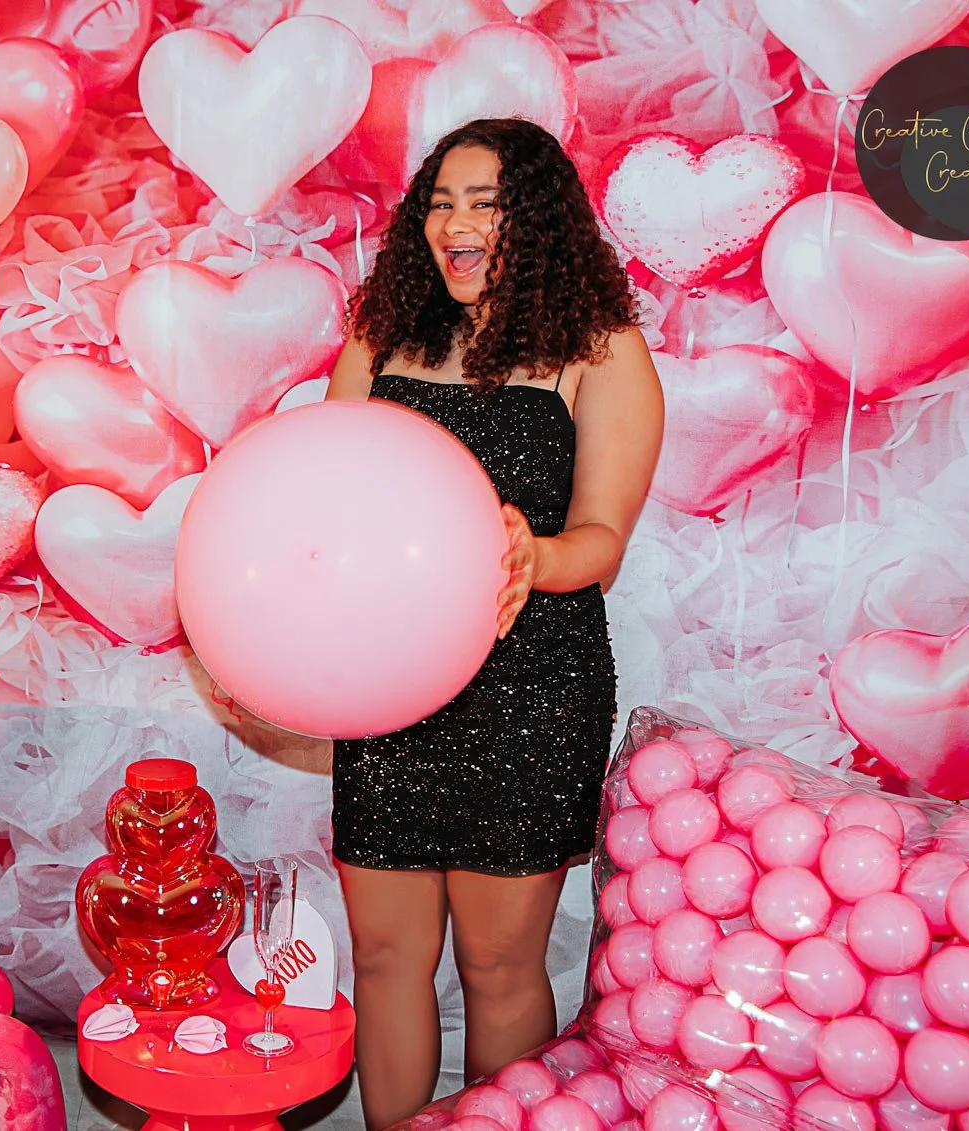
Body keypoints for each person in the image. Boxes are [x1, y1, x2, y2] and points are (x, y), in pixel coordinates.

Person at [325, 117, 663, 1129]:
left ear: (541, 226)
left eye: (485, 204)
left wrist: (534, 556)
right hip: (387, 686)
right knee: (385, 957)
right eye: (441, 206)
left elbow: (603, 535)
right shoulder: (381, 337)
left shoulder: (598, 350)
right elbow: (323, 496)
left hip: (530, 686)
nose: (457, 224)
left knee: (497, 965)